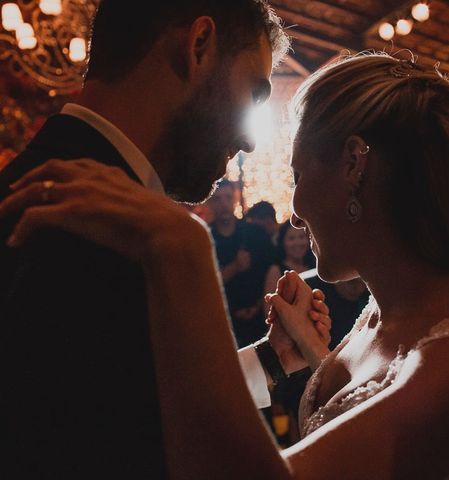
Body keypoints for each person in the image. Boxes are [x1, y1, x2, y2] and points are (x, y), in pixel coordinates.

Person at [0, 54, 449, 479]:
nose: (294, 210)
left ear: (353, 164)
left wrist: (185, 255)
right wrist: (280, 360)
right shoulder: (379, 314)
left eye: (298, 175)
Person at [0, 1, 323, 478]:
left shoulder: (71, 185)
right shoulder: (86, 226)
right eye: (254, 93)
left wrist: (269, 361)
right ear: (198, 46)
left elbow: (124, 398)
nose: (251, 143)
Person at [210, 179, 277, 347]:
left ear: (234, 199)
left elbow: (271, 270)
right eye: (218, 199)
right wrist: (235, 267)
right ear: (211, 202)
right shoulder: (204, 237)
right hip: (223, 323)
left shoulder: (254, 234)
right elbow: (203, 284)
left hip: (260, 317)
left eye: (227, 197)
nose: (223, 204)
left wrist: (258, 305)